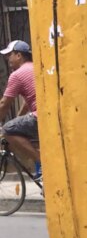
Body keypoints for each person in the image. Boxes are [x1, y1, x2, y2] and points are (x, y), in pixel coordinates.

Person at [0, 40, 40, 180]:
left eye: (9, 55)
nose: (7, 59)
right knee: (26, 134)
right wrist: (18, 118)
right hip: (46, 115)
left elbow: (4, 103)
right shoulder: (35, 67)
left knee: (7, 130)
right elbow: (26, 102)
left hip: (38, 116)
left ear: (19, 55)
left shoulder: (17, 75)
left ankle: (41, 162)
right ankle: (41, 171)